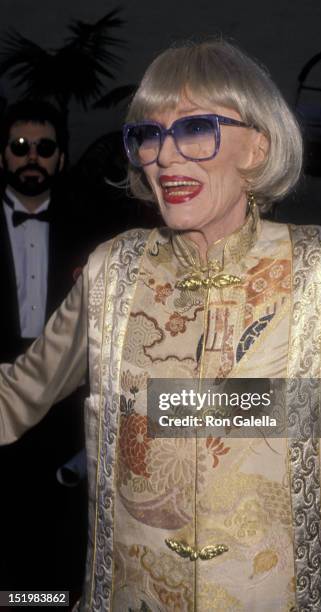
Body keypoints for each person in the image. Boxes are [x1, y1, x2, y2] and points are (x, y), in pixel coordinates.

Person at [1, 40, 321, 611]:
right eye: (150, 135)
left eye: (195, 128)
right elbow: (16, 395)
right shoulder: (113, 271)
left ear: (257, 146)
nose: (165, 157)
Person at [0, 100, 88, 592]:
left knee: (56, 530)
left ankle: (45, 602)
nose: (31, 156)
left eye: (44, 148)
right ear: (2, 157)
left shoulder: (94, 231)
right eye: (19, 147)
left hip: (64, 405)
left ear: (60, 158)